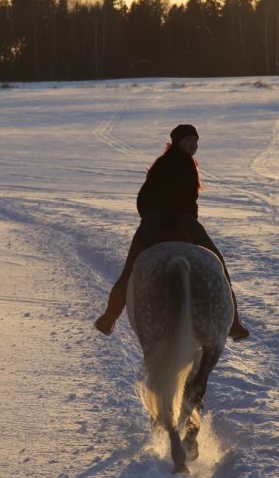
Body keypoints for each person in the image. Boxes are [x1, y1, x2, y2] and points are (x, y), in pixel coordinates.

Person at [95, 124, 250, 342]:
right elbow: (185, 200)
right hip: (181, 222)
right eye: (188, 141)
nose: (193, 145)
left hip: (154, 224)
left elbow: (143, 197)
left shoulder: (160, 164)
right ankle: (233, 323)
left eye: (195, 141)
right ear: (177, 142)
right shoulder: (185, 163)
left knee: (130, 271)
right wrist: (179, 217)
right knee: (219, 265)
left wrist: (148, 217)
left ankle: (109, 317)